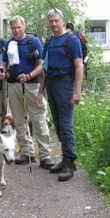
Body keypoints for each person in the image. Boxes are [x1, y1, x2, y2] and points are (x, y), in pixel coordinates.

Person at [0, 16, 54, 169]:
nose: (16, 30)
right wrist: (2, 71)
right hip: (13, 84)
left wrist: (29, 75)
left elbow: (41, 64)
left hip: (32, 85)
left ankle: (45, 155)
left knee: (38, 118)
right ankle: (27, 152)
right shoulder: (8, 43)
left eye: (18, 27)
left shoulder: (33, 41)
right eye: (13, 28)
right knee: (18, 119)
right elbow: (3, 62)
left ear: (24, 26)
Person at [38, 9, 84, 181]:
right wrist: (40, 91)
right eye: (51, 21)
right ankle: (66, 158)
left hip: (66, 83)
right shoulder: (49, 41)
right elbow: (45, 68)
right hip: (51, 84)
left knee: (65, 125)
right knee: (57, 124)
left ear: (63, 21)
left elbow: (79, 66)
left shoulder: (72, 40)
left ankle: (69, 161)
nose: (54, 24)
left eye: (56, 21)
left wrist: (77, 91)